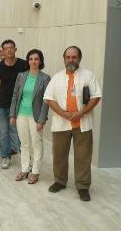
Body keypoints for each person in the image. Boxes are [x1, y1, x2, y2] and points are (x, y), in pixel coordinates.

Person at [44, 46, 101, 201]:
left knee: (83, 156)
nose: (71, 60)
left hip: (82, 122)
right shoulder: (57, 77)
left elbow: (96, 97)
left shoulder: (88, 75)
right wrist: (63, 113)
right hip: (61, 123)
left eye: (74, 57)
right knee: (59, 155)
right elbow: (49, 98)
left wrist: (81, 113)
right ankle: (60, 181)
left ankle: (83, 186)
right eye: (68, 57)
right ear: (64, 58)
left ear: (79, 58)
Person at [9, 49, 50, 184]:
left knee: (36, 144)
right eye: (31, 59)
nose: (33, 61)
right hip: (21, 114)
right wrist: (12, 114)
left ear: (40, 61)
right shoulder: (21, 76)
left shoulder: (45, 78)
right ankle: (25, 169)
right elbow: (15, 96)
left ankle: (35, 171)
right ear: (28, 61)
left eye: (36, 59)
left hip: (36, 116)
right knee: (24, 144)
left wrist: (42, 120)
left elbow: (46, 101)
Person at [0, 39, 28, 169]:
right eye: (6, 48)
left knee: (20, 131)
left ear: (15, 49)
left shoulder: (23, 64)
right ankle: (5, 157)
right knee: (4, 133)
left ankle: (24, 157)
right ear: (3, 50)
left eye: (11, 47)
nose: (9, 50)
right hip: (3, 104)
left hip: (19, 104)